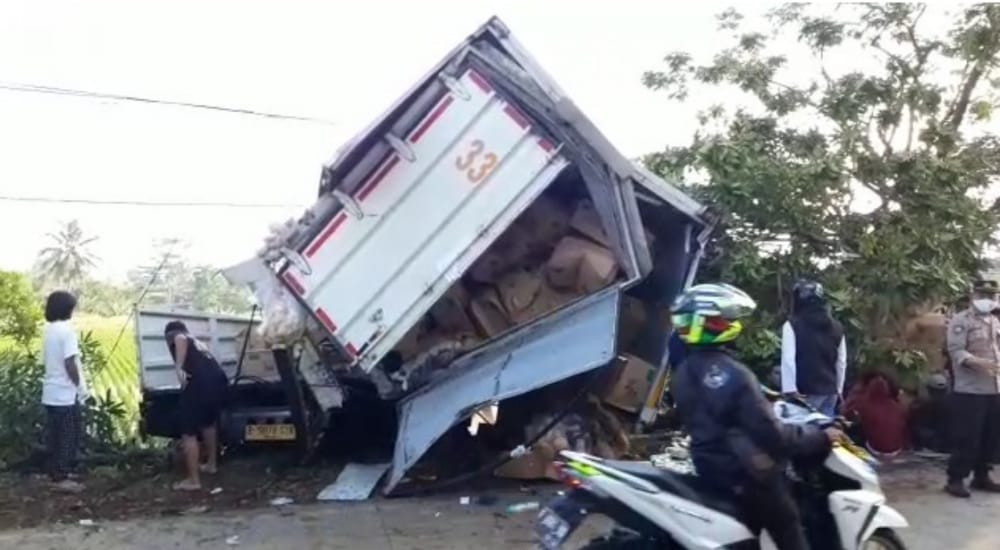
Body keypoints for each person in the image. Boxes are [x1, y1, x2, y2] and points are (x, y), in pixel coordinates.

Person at [669, 283, 841, 550]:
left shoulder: (681, 375)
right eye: (729, 317)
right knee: (789, 526)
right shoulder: (736, 375)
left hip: (709, 470)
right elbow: (777, 438)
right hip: (747, 475)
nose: (734, 321)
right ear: (716, 324)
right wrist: (821, 436)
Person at [943, 280, 1000, 498]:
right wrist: (979, 363)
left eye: (991, 295)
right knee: (967, 437)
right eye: (983, 294)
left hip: (994, 388)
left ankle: (981, 476)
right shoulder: (961, 321)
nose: (988, 299)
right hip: (970, 389)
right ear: (973, 295)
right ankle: (955, 479)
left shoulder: (995, 321)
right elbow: (956, 352)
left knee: (990, 436)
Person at [164, 320, 229, 491]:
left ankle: (193, 481)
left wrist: (179, 369)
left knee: (188, 432)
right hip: (218, 381)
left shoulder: (179, 336)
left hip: (199, 383)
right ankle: (211, 465)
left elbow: (179, 338)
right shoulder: (198, 343)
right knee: (208, 423)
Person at [41, 290, 88, 493]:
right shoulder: (67, 331)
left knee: (56, 435)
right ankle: (61, 477)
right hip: (65, 394)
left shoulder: (49, 330)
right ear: (67, 309)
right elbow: (70, 362)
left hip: (51, 392)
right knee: (69, 435)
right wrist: (79, 385)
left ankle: (59, 472)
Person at [780, 280, 847, 416]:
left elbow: (788, 359)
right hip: (830, 391)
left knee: (803, 434)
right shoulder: (837, 327)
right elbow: (841, 362)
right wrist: (839, 389)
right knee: (827, 433)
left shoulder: (792, 324)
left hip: (804, 392)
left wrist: (790, 389)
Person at [842, 372, 907, 458]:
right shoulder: (897, 405)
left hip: (874, 449)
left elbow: (845, 412)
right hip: (897, 449)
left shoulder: (864, 403)